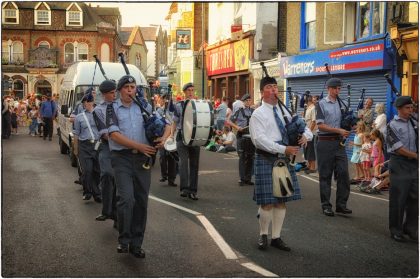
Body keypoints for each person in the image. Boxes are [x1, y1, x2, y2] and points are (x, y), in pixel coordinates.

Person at [108, 75, 170, 257]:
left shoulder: (144, 107)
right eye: (126, 86)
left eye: (132, 86)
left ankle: (136, 243)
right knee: (126, 199)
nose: (130, 90)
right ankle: (124, 239)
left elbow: (167, 124)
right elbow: (114, 135)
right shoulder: (112, 109)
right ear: (119, 90)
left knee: (141, 201)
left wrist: (163, 139)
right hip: (122, 158)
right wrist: (139, 146)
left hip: (142, 159)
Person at [249, 73, 312, 251]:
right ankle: (263, 234)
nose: (273, 90)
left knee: (281, 200)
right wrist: (283, 149)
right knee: (267, 202)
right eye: (269, 87)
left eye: (275, 86)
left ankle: (276, 237)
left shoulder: (285, 111)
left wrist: (305, 137)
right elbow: (259, 140)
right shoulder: (258, 114)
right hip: (266, 158)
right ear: (262, 93)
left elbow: (305, 128)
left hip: (283, 160)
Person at [315, 77, 352, 217]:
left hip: (339, 144)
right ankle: (326, 205)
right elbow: (320, 125)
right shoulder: (321, 104)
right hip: (325, 142)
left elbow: (344, 122)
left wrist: (349, 126)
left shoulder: (342, 104)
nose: (338, 91)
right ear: (329, 89)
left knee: (343, 174)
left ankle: (341, 205)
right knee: (325, 175)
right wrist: (339, 131)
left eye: (339, 88)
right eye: (335, 88)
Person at [386, 96, 418, 242]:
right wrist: (416, 156)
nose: (410, 110)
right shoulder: (391, 125)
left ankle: (411, 229)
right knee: (399, 198)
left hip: (413, 164)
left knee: (415, 198)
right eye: (407, 108)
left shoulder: (415, 122)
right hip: (399, 163)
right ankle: (396, 229)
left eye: (411, 108)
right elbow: (398, 148)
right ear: (399, 109)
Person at [93, 80, 118, 222]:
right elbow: (104, 133)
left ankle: (116, 212)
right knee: (107, 175)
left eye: (115, 92)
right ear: (103, 94)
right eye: (111, 93)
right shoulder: (98, 110)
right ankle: (106, 210)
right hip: (106, 146)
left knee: (119, 179)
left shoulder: (121, 107)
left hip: (122, 147)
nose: (114, 95)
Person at [171, 83, 200, 200]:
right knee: (183, 163)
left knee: (194, 164)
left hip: (195, 137)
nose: (191, 92)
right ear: (184, 92)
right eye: (188, 90)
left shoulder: (198, 105)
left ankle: (193, 190)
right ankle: (184, 188)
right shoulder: (179, 105)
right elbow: (174, 121)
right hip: (181, 136)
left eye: (192, 90)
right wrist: (171, 135)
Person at [73, 92, 101, 202]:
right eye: (86, 102)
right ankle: (88, 192)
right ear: (84, 104)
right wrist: (75, 149)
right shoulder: (79, 117)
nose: (88, 104)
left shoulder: (98, 114)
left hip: (97, 145)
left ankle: (96, 192)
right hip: (84, 145)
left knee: (97, 171)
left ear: (93, 103)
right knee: (87, 170)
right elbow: (76, 134)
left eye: (90, 102)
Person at [229, 93, 255, 186]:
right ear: (243, 102)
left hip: (251, 136)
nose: (248, 102)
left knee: (251, 157)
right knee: (242, 157)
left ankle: (248, 178)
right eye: (246, 101)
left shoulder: (254, 111)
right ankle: (242, 178)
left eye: (249, 100)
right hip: (242, 135)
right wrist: (237, 127)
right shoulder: (239, 111)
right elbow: (229, 121)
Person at [156, 94, 177, 187]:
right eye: (166, 99)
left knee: (172, 158)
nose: (168, 101)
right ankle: (164, 175)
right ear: (163, 100)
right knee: (162, 156)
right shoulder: (160, 110)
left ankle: (171, 179)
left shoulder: (175, 110)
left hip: (173, 136)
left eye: (169, 99)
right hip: (163, 135)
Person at [304, 95, 317, 174]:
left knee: (311, 150)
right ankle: (308, 166)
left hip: (310, 133)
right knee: (307, 150)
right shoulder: (308, 108)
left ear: (307, 101)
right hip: (306, 132)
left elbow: (314, 121)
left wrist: (309, 132)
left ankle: (313, 167)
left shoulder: (313, 108)